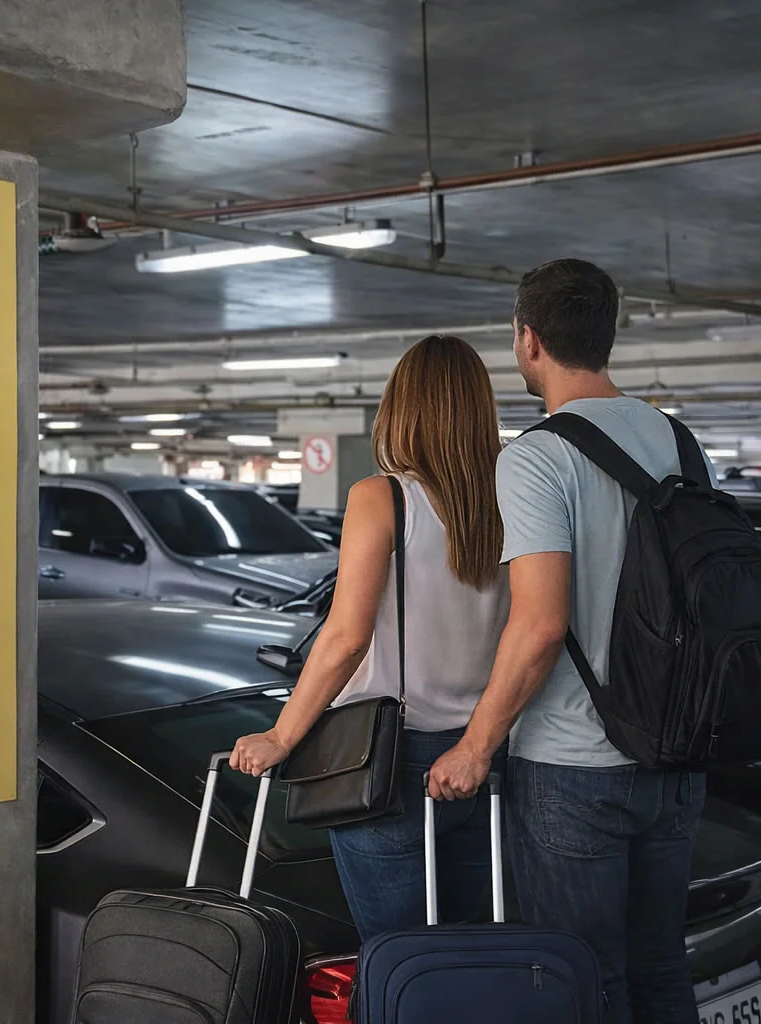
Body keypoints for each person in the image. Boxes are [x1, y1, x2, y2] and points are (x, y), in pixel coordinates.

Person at [427, 259, 707, 1024]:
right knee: (659, 968)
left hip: (575, 772)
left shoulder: (536, 457)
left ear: (528, 340)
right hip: (677, 757)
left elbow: (541, 623)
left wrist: (475, 746)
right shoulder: (678, 443)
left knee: (584, 982)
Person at [230, 335, 511, 939]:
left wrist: (282, 734)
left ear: (401, 408)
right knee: (475, 952)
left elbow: (346, 635)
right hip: (483, 755)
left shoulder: (382, 497)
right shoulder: (510, 498)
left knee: (399, 957)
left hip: (390, 760)